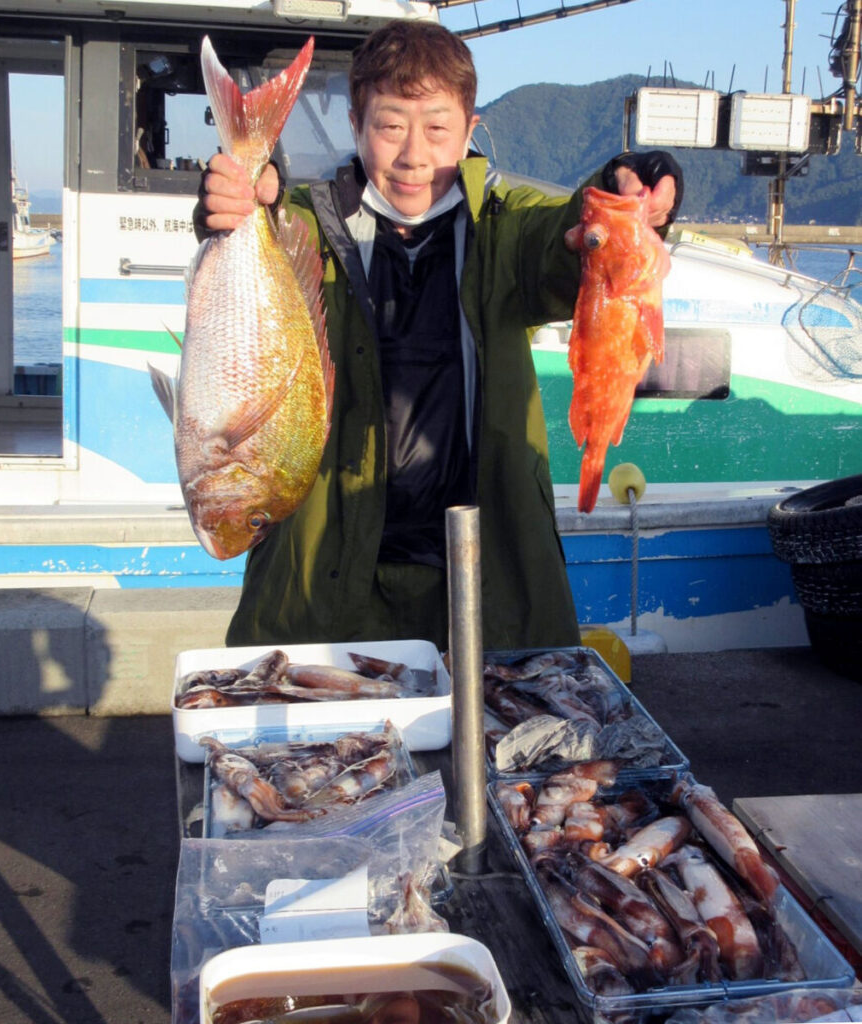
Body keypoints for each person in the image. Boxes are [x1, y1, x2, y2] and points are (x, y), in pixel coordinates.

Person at [196, 19, 682, 653]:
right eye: (390, 126)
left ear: (470, 128)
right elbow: (258, 228)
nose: (413, 155)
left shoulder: (504, 229)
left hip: (481, 572)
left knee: (490, 716)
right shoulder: (306, 226)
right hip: (327, 575)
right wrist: (233, 207)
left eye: (437, 129)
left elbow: (562, 243)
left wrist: (624, 179)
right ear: (355, 125)